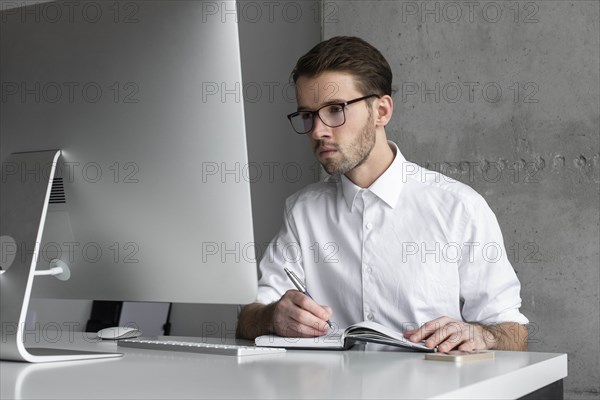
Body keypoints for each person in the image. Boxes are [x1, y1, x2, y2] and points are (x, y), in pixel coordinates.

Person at [237, 36, 528, 352]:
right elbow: (249, 318)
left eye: (335, 110)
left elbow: (513, 332)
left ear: (382, 111)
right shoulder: (302, 211)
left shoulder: (459, 208)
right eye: (308, 115)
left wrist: (481, 335)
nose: (318, 130)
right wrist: (272, 318)